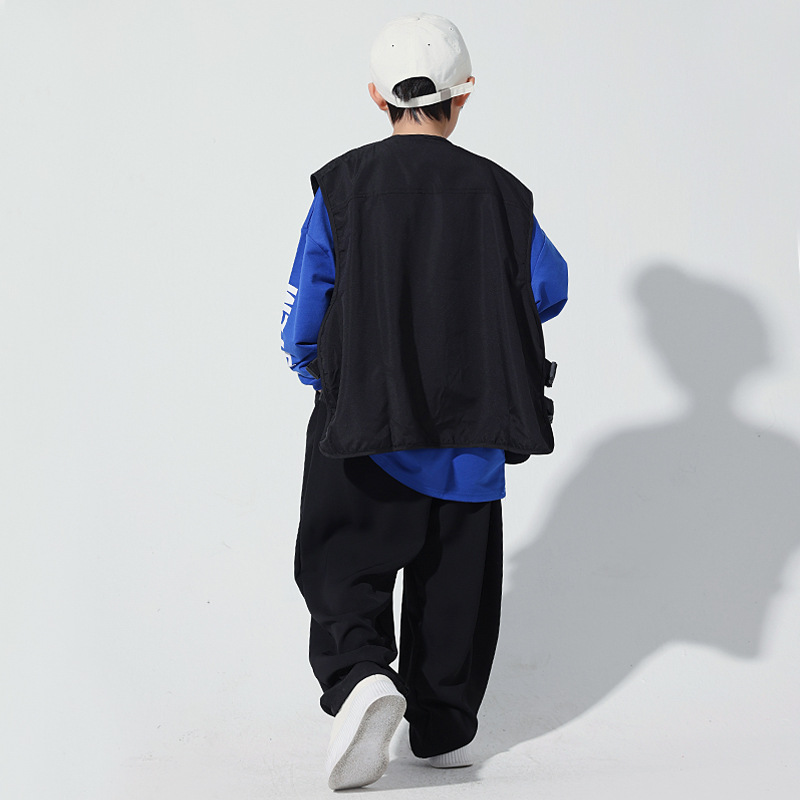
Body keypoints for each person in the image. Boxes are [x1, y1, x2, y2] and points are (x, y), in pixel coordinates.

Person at [280, 12, 568, 791]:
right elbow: (548, 286)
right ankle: (444, 729)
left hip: (365, 422)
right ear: (463, 95)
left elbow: (308, 301)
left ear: (378, 97)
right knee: (455, 587)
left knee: (342, 566)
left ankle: (362, 678)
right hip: (473, 424)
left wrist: (315, 368)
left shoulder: (343, 185)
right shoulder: (502, 192)